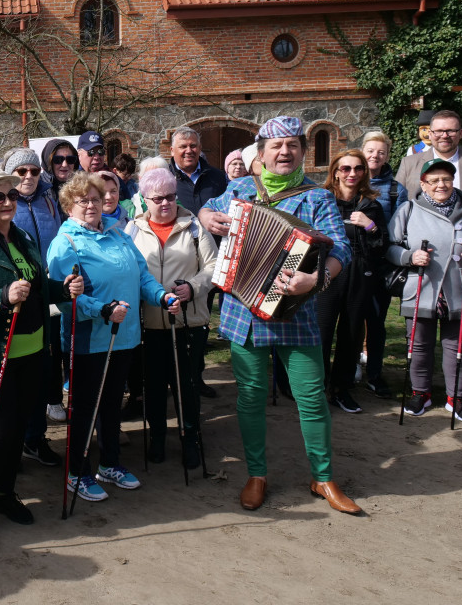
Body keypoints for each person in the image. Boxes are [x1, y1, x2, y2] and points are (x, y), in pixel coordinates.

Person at [199, 116, 360, 515]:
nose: (284, 152)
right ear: (262, 152)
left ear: (303, 151)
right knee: (250, 398)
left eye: (292, 145)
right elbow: (206, 209)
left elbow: (341, 248)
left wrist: (317, 278)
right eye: (276, 146)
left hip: (297, 311)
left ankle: (322, 477)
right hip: (244, 310)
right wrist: (205, 216)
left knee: (310, 397)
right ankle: (257, 474)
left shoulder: (316, 198)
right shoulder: (238, 189)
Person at [0, 167, 83, 552]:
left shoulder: (21, 238)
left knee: (18, 427)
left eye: (12, 196)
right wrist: (0, 297)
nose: (8, 202)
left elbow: (37, 289)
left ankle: (4, 494)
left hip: (32, 351)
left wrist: (64, 288)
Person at [47, 172, 179, 501]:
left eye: (95, 198)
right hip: (89, 340)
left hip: (124, 337)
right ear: (68, 206)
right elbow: (65, 299)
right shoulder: (66, 242)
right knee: (85, 408)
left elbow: (142, 277)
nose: (92, 205)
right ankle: (76, 472)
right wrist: (102, 309)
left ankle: (109, 464)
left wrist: (162, 297)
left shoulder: (118, 234)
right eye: (83, 201)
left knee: (110, 404)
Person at [125, 168, 218, 467]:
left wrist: (192, 288)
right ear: (145, 200)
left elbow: (215, 267)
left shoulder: (193, 227)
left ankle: (190, 437)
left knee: (187, 385)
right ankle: (158, 437)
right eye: (158, 198)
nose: (165, 203)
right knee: (152, 386)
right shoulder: (132, 230)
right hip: (149, 324)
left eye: (170, 197)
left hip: (188, 322)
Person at [387, 158, 462, 419]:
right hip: (422, 286)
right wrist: (410, 257)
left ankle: (457, 397)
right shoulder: (408, 210)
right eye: (434, 180)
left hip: (459, 288)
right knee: (419, 345)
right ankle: (420, 393)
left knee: (458, 346)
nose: (441, 185)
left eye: (446, 179)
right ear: (423, 184)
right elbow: (390, 247)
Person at [1, 147, 67, 453]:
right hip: (15, 296)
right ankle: (17, 437)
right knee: (19, 374)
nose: (28, 177)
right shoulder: (4, 203)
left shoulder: (50, 199)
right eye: (21, 172)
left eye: (34, 171)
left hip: (48, 291)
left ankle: (35, 437)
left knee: (46, 365)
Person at [317, 150, 388, 412]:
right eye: (345, 168)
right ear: (335, 171)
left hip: (360, 274)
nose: (352, 174)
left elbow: (382, 245)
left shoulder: (371, 205)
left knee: (351, 332)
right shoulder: (323, 201)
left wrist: (369, 226)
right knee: (322, 332)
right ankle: (318, 387)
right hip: (328, 272)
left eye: (358, 169)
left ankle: (341, 388)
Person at [362, 130, 407, 396]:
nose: (375, 156)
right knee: (350, 319)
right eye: (370, 150)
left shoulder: (395, 189)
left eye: (381, 151)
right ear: (363, 150)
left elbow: (398, 228)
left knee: (376, 322)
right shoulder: (350, 180)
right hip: (354, 261)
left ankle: (375, 375)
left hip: (380, 263)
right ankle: (349, 367)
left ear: (387, 155)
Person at [396, 110, 462, 193]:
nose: (444, 136)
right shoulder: (408, 163)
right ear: (430, 134)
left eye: (450, 131)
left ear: (461, 133)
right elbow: (397, 200)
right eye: (438, 131)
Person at [168, 126, 229, 218]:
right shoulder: (164, 178)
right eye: (183, 146)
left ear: (200, 148)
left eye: (193, 146)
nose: (189, 151)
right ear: (172, 151)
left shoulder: (218, 177)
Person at [363, 131, 407, 225]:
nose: (375, 155)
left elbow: (400, 227)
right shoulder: (349, 183)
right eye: (370, 151)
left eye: (381, 153)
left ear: (387, 157)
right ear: (362, 153)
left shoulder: (397, 191)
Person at [40, 138, 79, 206]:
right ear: (48, 162)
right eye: (58, 160)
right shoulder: (36, 186)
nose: (65, 165)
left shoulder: (81, 186)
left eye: (70, 159)